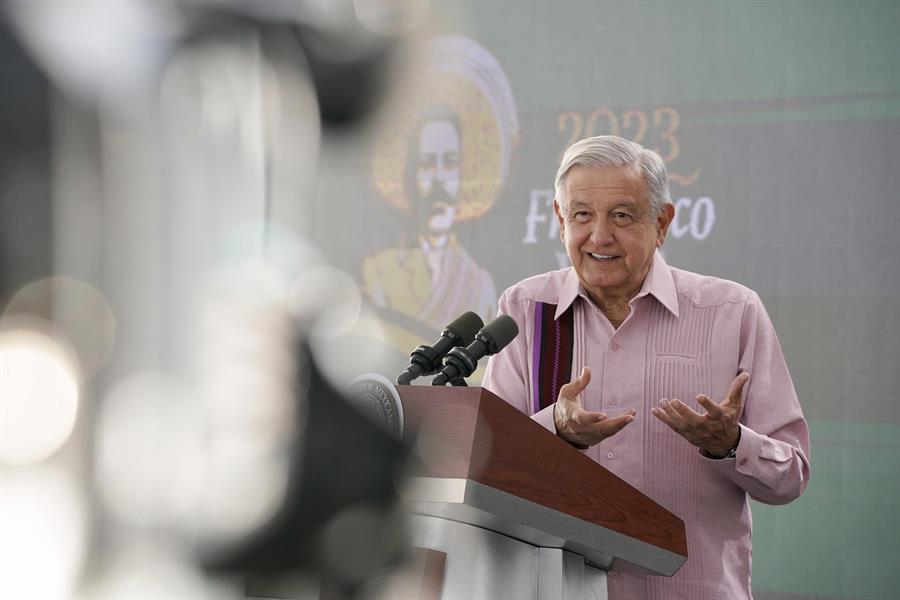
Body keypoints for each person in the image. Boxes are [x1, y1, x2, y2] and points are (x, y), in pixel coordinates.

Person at [482, 135, 810, 599]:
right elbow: (488, 467)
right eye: (581, 215)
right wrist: (555, 430)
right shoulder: (526, 309)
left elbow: (790, 477)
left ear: (662, 222)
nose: (599, 236)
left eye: (622, 215)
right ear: (559, 219)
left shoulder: (733, 312)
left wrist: (731, 443)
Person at [363, 109, 497, 332]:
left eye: (449, 163)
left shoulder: (480, 284)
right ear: (410, 177)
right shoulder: (379, 272)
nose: (439, 180)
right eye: (427, 164)